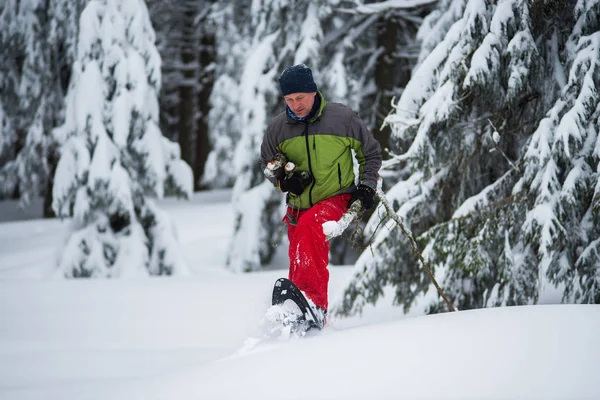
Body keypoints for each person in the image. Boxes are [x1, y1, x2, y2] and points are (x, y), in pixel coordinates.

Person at [260, 64, 382, 325]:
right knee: (300, 256)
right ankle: (298, 317)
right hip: (298, 207)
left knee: (311, 226)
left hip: (336, 197)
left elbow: (370, 153)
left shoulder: (343, 119)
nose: (295, 105)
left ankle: (313, 304)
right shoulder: (278, 129)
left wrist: (367, 186)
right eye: (289, 100)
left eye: (300, 98)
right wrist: (285, 183)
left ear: (313, 92)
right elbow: (268, 167)